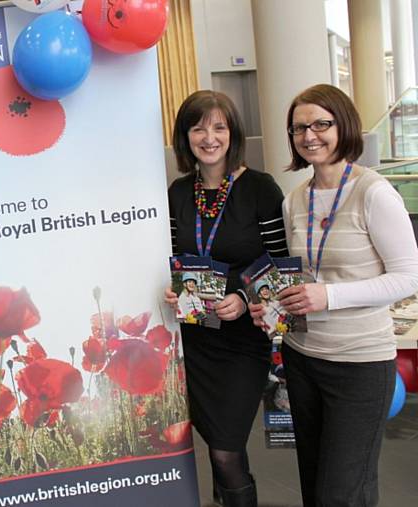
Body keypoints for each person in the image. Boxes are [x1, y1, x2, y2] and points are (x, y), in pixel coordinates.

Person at [250, 83, 418, 506]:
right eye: (299, 128)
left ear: (343, 125)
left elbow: (408, 277)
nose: (310, 136)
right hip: (302, 357)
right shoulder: (295, 200)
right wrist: (269, 303)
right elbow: (300, 277)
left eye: (321, 124)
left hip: (359, 363)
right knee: (315, 483)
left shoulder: (374, 193)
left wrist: (330, 296)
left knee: (343, 492)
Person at [165, 90, 287, 506]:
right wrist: (169, 283)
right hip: (196, 338)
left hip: (243, 339)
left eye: (219, 126)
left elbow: (280, 261)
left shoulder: (260, 188)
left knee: (225, 446)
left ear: (233, 134)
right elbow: (170, 257)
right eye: (198, 127)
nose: (209, 136)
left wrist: (240, 292)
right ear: (186, 136)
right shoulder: (178, 193)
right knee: (217, 439)